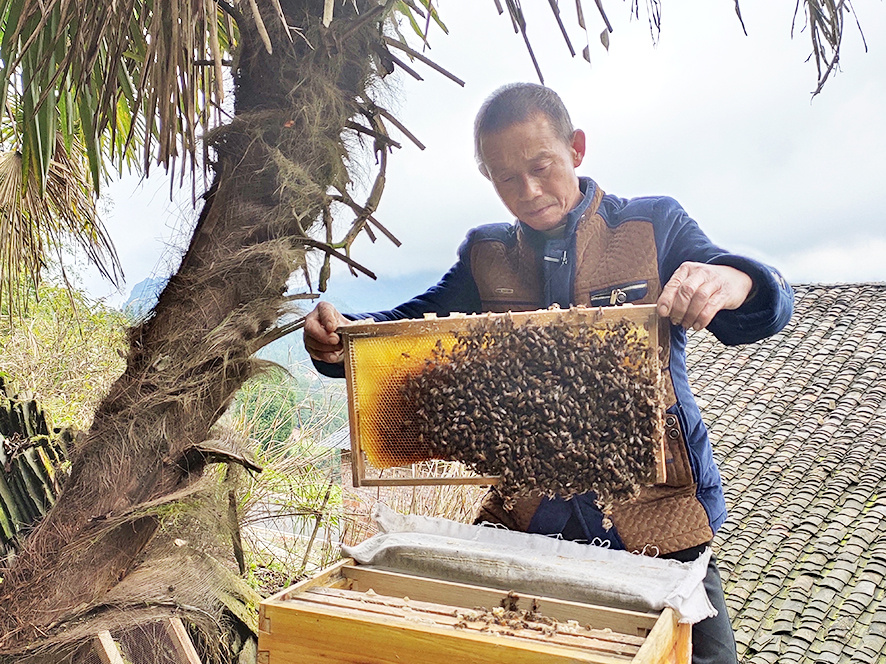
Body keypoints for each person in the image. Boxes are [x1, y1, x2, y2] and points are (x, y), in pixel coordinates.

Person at [304, 83, 794, 663]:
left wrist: (739, 282)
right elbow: (409, 329)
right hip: (534, 523)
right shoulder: (486, 256)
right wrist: (339, 337)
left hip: (663, 519)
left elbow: (758, 304)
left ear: (576, 149)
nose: (529, 192)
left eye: (542, 167)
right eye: (506, 178)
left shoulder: (651, 225)